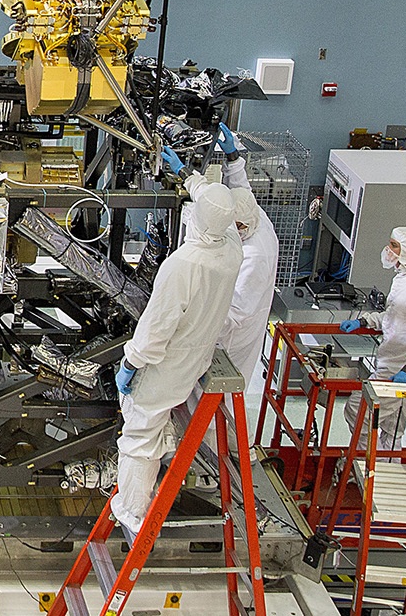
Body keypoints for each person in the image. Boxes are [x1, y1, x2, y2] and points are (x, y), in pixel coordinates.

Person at [110, 148, 243, 535]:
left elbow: (156, 328)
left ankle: (133, 511)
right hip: (198, 354)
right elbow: (214, 206)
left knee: (139, 431)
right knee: (157, 415)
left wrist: (131, 362)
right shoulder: (231, 248)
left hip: (168, 362)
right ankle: (162, 448)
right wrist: (186, 173)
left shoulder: (183, 266)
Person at [339, 226, 406, 449]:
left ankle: (363, 460)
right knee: (393, 425)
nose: (388, 249)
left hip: (401, 366)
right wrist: (364, 321)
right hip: (392, 359)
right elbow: (395, 316)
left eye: (394, 246)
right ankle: (389, 459)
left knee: (358, 411)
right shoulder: (404, 276)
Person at [213, 124, 281, 390]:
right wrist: (233, 157)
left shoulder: (255, 255)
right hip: (227, 311)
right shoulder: (254, 214)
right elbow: (242, 189)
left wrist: (195, 322)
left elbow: (235, 313)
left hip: (232, 338)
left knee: (218, 392)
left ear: (240, 226)